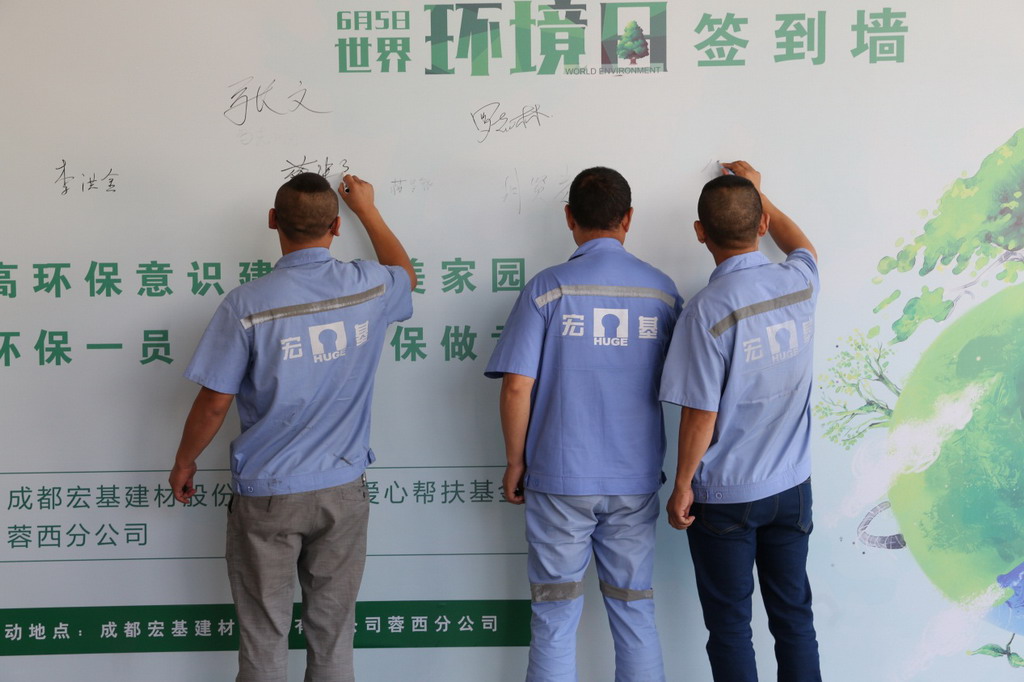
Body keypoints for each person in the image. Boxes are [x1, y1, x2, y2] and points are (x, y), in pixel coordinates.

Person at [168, 172, 415, 682]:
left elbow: (214, 403)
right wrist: (368, 210)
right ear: (336, 226)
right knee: (333, 637)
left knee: (263, 638)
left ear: (272, 221)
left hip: (268, 494)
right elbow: (405, 275)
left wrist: (185, 461)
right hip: (342, 489)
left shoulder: (247, 304)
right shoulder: (369, 285)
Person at [485, 167, 682, 682]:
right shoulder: (663, 293)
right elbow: (689, 388)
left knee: (554, 617)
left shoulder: (547, 288)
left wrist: (515, 462)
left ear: (569, 217)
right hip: (635, 479)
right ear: (628, 219)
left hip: (558, 479)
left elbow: (516, 387)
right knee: (635, 610)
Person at [660, 161, 821, 681]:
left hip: (726, 496)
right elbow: (803, 247)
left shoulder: (705, 311)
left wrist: (682, 485)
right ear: (762, 225)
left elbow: (700, 412)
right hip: (792, 487)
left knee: (731, 628)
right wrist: (759, 194)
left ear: (699, 232)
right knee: (794, 619)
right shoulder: (799, 282)